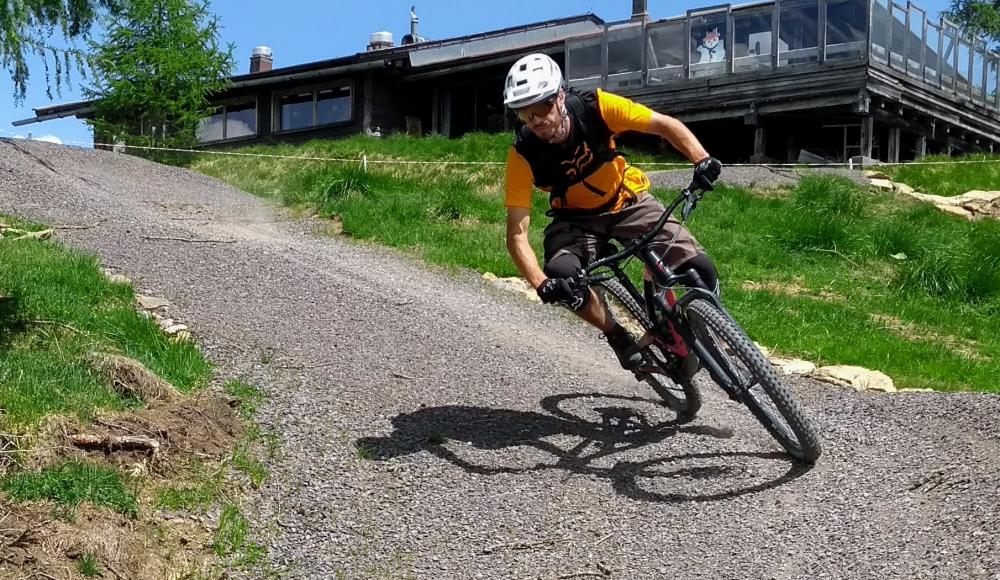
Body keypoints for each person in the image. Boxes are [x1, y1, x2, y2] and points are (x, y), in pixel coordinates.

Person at [502, 53, 723, 370]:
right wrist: (540, 283)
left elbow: (664, 125)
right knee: (563, 279)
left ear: (560, 96)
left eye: (542, 108)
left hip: (626, 201)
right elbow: (516, 234)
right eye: (526, 114)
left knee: (702, 271)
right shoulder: (523, 153)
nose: (537, 121)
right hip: (575, 221)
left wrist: (701, 159)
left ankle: (697, 327)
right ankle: (617, 335)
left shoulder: (595, 107)